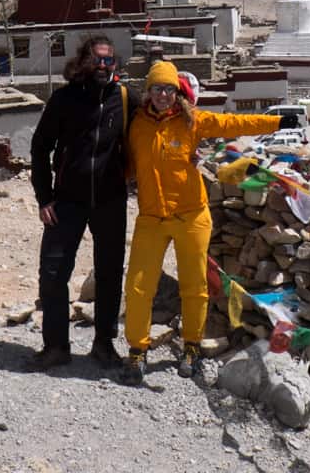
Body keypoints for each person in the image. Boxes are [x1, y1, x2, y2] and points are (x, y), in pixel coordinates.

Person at [120, 61, 299, 384]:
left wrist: (277, 121)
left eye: (169, 89)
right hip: (152, 217)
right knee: (138, 286)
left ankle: (191, 346)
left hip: (191, 214)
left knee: (195, 286)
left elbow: (231, 123)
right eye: (157, 88)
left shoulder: (192, 121)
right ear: (148, 91)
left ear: (177, 92)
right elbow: (126, 164)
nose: (163, 95)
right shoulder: (135, 125)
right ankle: (137, 349)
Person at [27, 36, 140, 371]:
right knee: (52, 272)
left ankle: (104, 344)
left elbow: (155, 128)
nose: (103, 66)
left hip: (110, 200)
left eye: (109, 61)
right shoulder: (64, 99)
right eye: (97, 60)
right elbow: (39, 147)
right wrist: (44, 196)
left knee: (109, 274)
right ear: (84, 62)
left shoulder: (125, 98)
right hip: (67, 200)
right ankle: (56, 346)